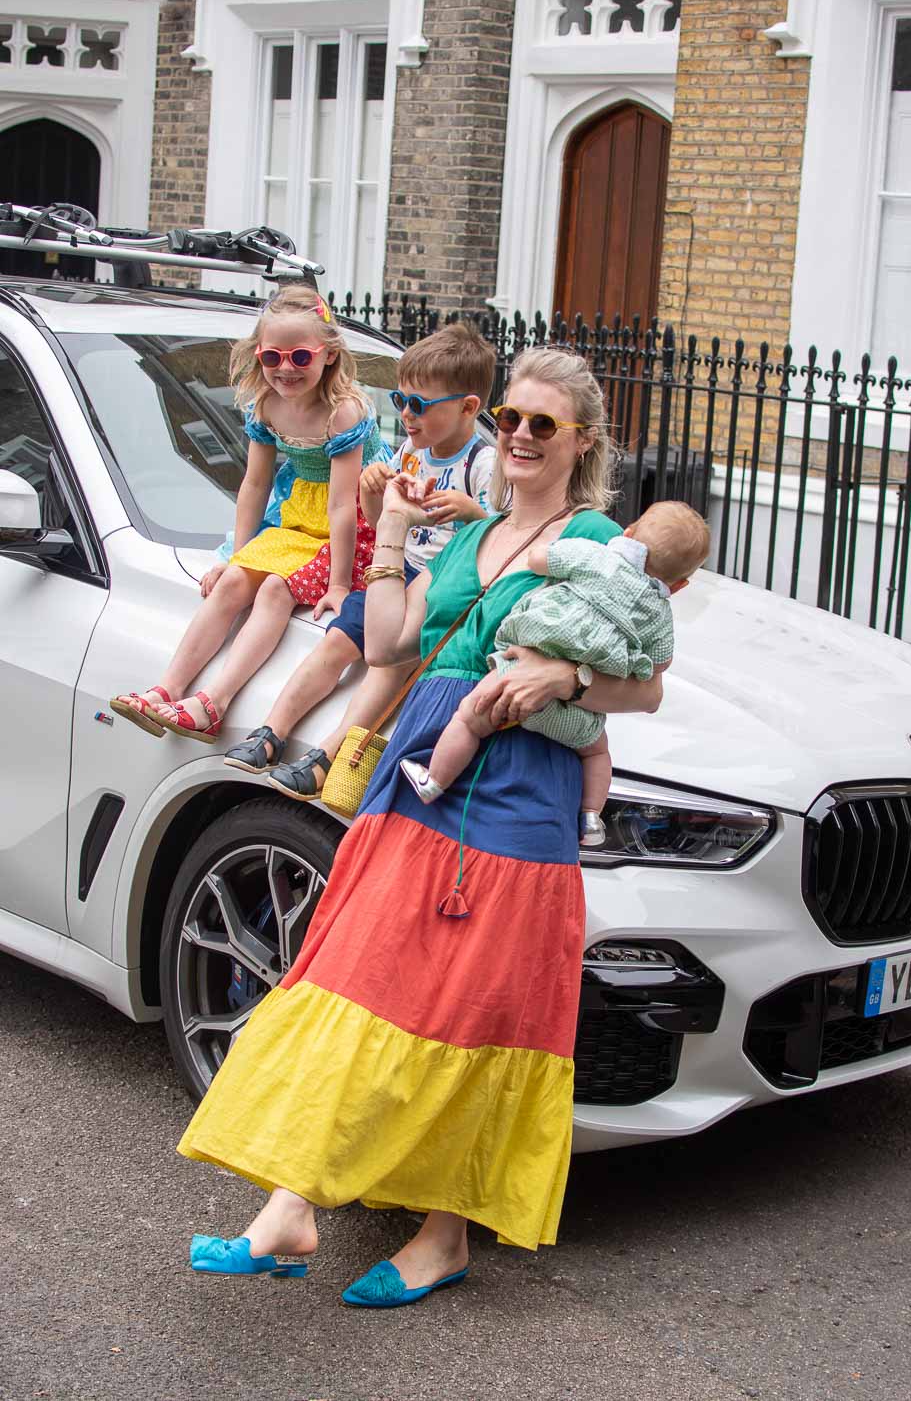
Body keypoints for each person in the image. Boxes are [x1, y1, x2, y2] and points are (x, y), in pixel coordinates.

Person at [176, 346, 668, 1307]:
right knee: (353, 981)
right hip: (418, 784)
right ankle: (290, 1207)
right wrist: (393, 534)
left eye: (542, 425)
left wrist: (567, 678)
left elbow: (646, 682)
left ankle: (443, 1236)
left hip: (521, 800)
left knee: (475, 1016)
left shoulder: (598, 537)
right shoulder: (475, 530)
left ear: (582, 443)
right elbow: (395, 641)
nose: (519, 438)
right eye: (512, 421)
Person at [222, 323, 496, 800]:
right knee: (336, 644)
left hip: (441, 585)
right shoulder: (412, 452)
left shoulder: (483, 464)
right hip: (396, 571)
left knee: (388, 665)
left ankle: (331, 756)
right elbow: (383, 521)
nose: (407, 417)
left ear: (468, 407)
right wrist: (373, 496)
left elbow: (499, 536)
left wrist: (474, 513)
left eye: (419, 406)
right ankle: (271, 733)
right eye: (400, 401)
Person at [110, 286, 390, 743]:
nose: (285, 369)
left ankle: (213, 702)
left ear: (329, 355)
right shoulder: (265, 404)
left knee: (277, 590)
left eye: (300, 357)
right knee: (235, 582)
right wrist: (235, 557)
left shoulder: (343, 411)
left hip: (355, 524)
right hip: (299, 513)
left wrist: (339, 586)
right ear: (258, 356)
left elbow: (343, 504)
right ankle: (166, 689)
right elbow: (255, 485)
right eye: (272, 357)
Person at [400, 499, 710, 845]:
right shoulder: (659, 614)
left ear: (628, 533)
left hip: (514, 676)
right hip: (574, 716)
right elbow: (659, 663)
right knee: (596, 752)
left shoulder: (596, 555)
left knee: (469, 719)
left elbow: (539, 560)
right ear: (681, 585)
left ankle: (435, 781)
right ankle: (591, 818)